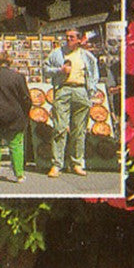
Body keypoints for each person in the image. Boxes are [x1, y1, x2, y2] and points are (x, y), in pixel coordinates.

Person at [44, 29, 100, 177]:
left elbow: (94, 73)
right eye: (67, 37)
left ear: (79, 39)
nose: (68, 39)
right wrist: (59, 70)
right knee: (59, 127)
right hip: (63, 89)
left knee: (79, 130)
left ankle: (76, 163)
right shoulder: (57, 53)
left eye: (72, 37)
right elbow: (45, 69)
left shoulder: (87, 56)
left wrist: (91, 91)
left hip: (81, 90)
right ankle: (57, 164)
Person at [0, 50, 33, 183]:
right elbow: (25, 98)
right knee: (15, 144)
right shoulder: (18, 77)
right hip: (14, 114)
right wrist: (25, 112)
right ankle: (19, 174)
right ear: (9, 61)